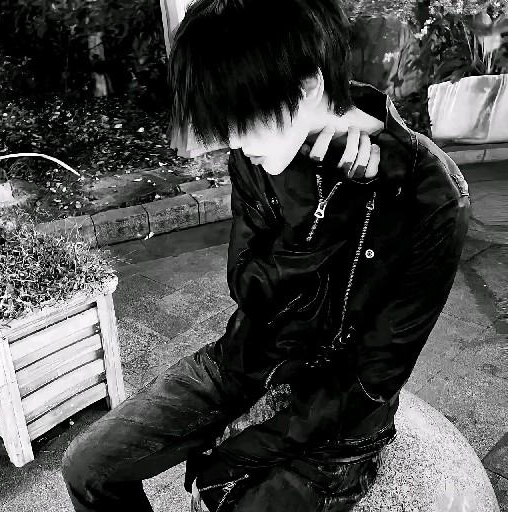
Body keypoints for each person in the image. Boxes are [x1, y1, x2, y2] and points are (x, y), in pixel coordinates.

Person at [61, 0, 471, 511]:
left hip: (337, 416)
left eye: (241, 118)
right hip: (245, 360)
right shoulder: (259, 153)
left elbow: (374, 378)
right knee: (86, 467)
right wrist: (313, 227)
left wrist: (239, 452)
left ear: (309, 85)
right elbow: (247, 285)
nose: (232, 140)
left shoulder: (429, 193)